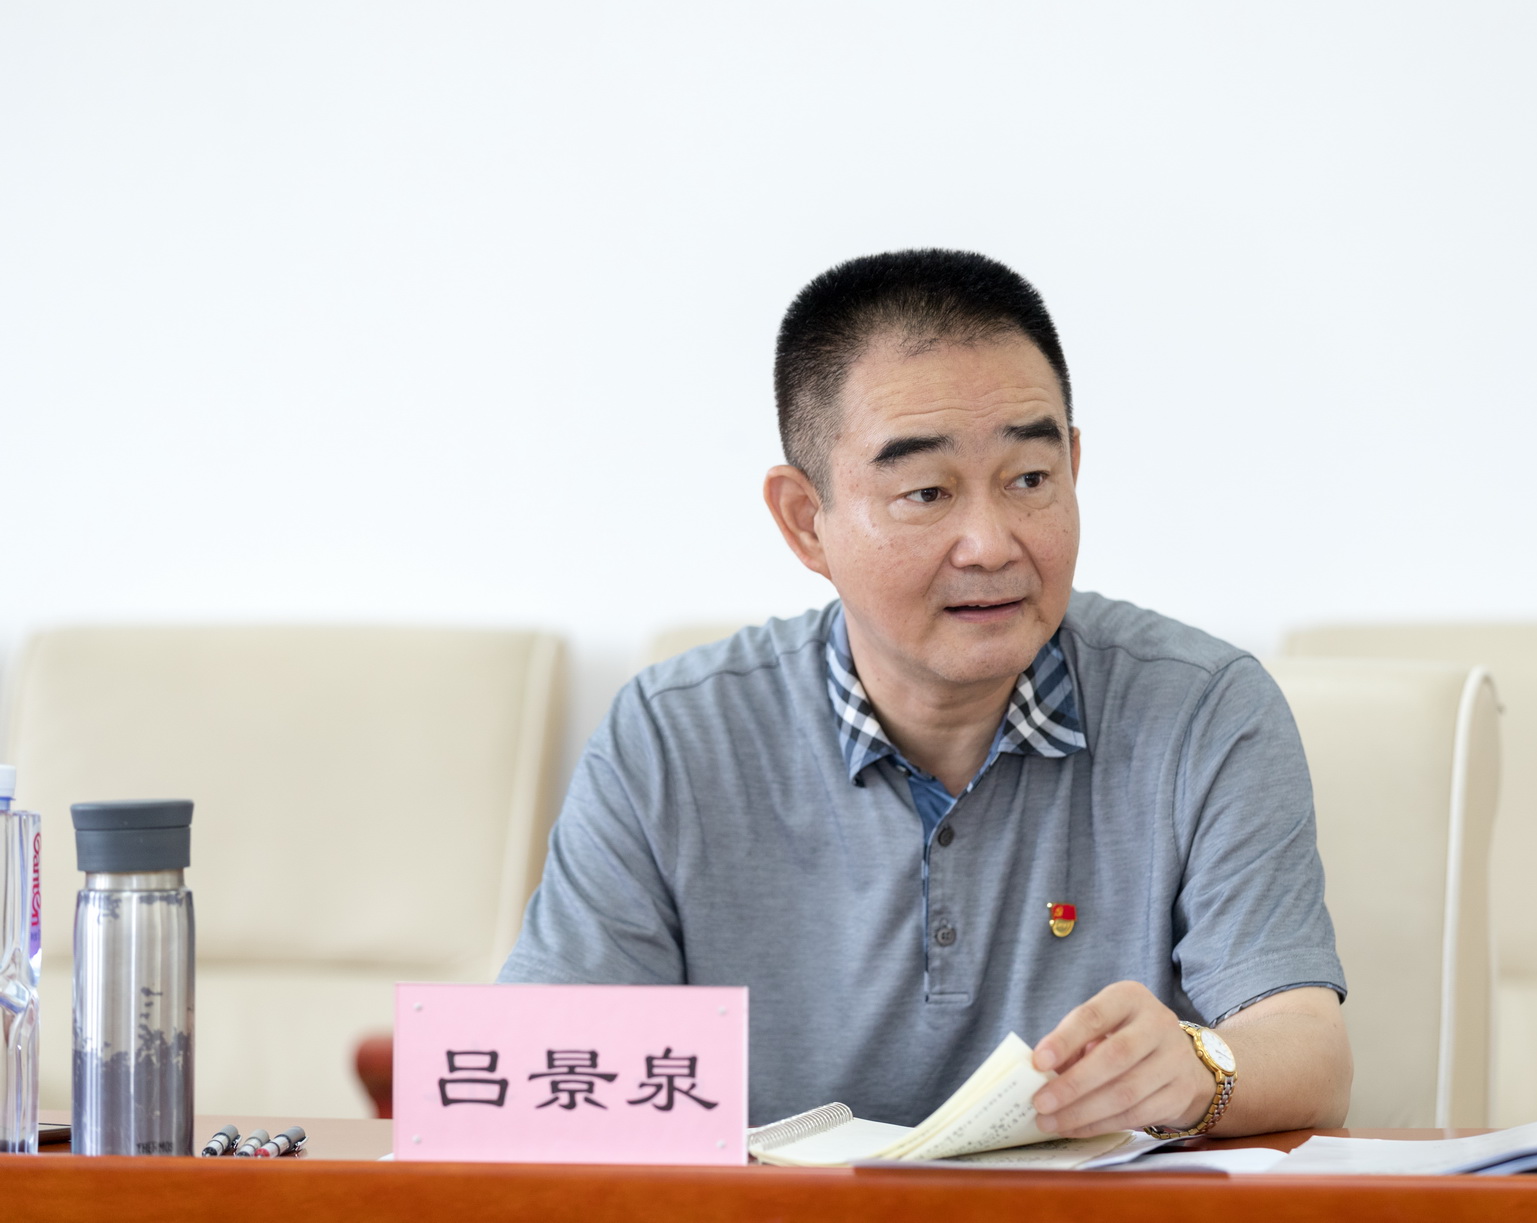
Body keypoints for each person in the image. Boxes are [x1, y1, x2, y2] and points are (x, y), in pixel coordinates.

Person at [500, 249, 1352, 1137]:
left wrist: (1200, 1068)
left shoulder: (1203, 711)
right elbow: (541, 1077)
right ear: (805, 520)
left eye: (1029, 479)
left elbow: (1309, 1050)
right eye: (925, 491)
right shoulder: (669, 738)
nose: (990, 543)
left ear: (1073, 465)